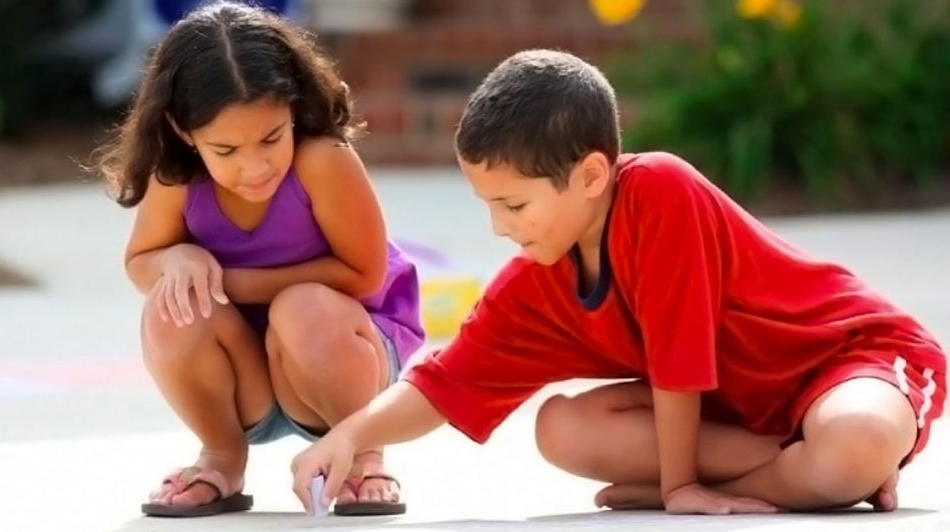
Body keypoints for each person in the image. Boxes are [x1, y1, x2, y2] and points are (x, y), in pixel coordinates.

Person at [290, 49, 946, 515]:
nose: (497, 228)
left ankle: (827, 468)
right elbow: (444, 383)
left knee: (856, 441)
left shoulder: (659, 188)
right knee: (560, 432)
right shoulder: (535, 279)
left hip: (846, 362)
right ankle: (810, 473)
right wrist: (350, 436)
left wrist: (678, 485)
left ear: (593, 176)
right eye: (486, 205)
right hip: (740, 415)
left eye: (514, 205)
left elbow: (680, 345)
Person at [97, 1, 423, 517]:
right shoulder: (177, 177)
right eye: (225, 150)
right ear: (185, 131)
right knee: (171, 304)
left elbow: (364, 276)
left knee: (301, 308)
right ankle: (222, 457)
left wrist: (230, 282)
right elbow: (142, 262)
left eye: (271, 138)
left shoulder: (324, 161)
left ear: (292, 109)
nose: (255, 166)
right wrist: (176, 258)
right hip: (244, 379)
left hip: (338, 358)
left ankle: (362, 453)